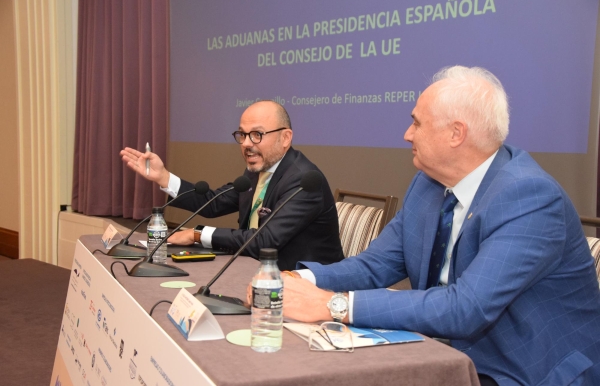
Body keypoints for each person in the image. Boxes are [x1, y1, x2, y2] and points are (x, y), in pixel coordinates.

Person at [276, 67, 600, 385]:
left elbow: (466, 307)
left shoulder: (528, 197)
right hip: (439, 352)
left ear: (456, 133)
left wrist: (331, 304)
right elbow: (377, 265)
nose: (407, 134)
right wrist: (296, 280)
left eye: (417, 122)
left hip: (521, 370)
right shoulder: (427, 184)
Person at [120, 100, 344, 270]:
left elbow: (264, 241)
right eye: (242, 135)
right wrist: (164, 177)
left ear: (285, 138)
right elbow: (211, 204)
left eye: (256, 135)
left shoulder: (303, 180)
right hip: (253, 271)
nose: (246, 144)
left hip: (304, 283)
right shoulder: (257, 171)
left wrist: (197, 234)